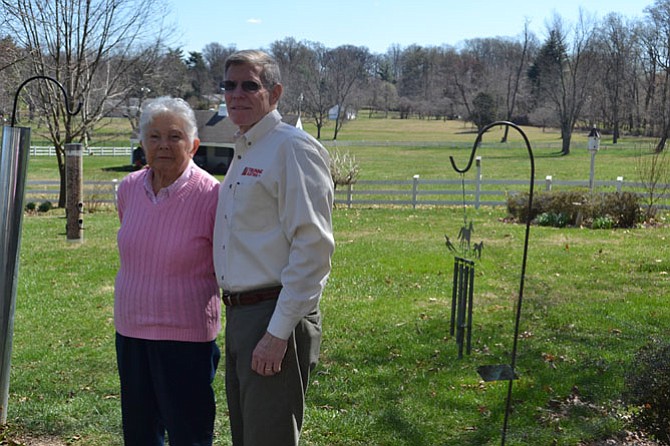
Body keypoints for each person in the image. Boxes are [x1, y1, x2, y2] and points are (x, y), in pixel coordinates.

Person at [213, 50, 335, 446]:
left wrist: (277, 333)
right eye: (229, 85)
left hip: (273, 313)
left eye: (250, 85)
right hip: (242, 315)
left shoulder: (292, 149)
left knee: (269, 438)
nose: (237, 94)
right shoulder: (247, 148)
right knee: (249, 436)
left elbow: (312, 249)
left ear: (275, 92)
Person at [114, 96, 221, 446]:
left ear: (194, 144)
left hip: (186, 338)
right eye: (154, 136)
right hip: (131, 332)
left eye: (174, 136)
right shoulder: (128, 189)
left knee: (189, 434)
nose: (163, 145)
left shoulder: (212, 195)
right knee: (140, 434)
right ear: (143, 142)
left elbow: (224, 263)